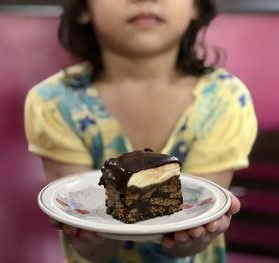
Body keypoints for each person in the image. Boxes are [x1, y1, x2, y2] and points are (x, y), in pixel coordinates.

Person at [24, 0, 257, 262]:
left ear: (197, 7)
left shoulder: (224, 98)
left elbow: (196, 223)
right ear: (83, 9)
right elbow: (85, 232)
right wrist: (88, 238)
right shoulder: (55, 102)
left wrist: (195, 236)